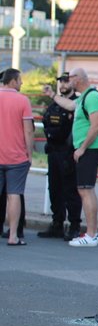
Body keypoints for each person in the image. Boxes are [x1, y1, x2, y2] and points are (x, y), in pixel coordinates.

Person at [50, 68, 98, 247]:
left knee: (86, 190)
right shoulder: (84, 97)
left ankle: (91, 234)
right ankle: (92, 233)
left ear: (79, 78)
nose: (68, 80)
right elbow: (69, 105)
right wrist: (52, 95)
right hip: (86, 149)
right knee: (84, 190)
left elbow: (95, 126)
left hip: (90, 150)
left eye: (71, 77)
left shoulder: (93, 97)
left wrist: (81, 148)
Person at [37, 73, 83, 240]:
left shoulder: (76, 103)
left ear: (72, 83)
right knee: (54, 189)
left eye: (66, 81)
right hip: (54, 153)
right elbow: (47, 123)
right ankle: (57, 224)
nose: (63, 84)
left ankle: (74, 226)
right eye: (60, 82)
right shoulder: (54, 105)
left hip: (68, 153)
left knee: (71, 190)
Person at [0, 67, 34, 246]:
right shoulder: (23, 100)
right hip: (16, 158)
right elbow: (28, 130)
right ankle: (13, 236)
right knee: (14, 195)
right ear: (13, 81)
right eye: (20, 80)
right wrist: (30, 154)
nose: (21, 83)